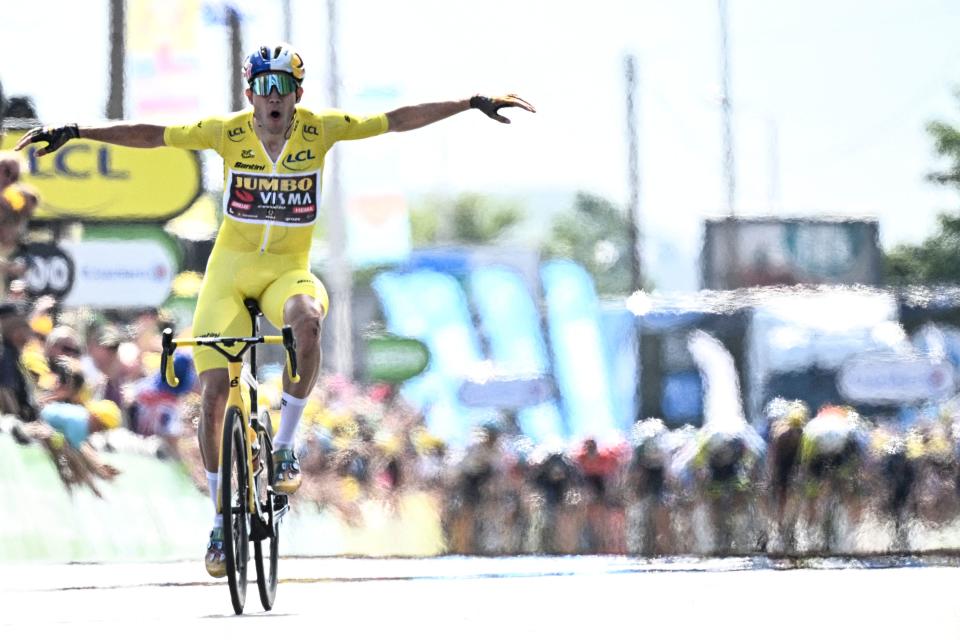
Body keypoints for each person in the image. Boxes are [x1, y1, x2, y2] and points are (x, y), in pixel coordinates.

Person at [15, 42, 535, 577]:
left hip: (288, 270)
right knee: (215, 393)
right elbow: (151, 135)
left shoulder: (322, 128)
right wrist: (77, 130)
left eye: (282, 87)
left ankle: (283, 446)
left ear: (297, 94)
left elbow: (397, 120)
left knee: (307, 318)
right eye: (263, 88)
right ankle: (221, 521)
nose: (273, 99)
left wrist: (470, 102)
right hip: (229, 273)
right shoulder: (227, 132)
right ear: (250, 94)